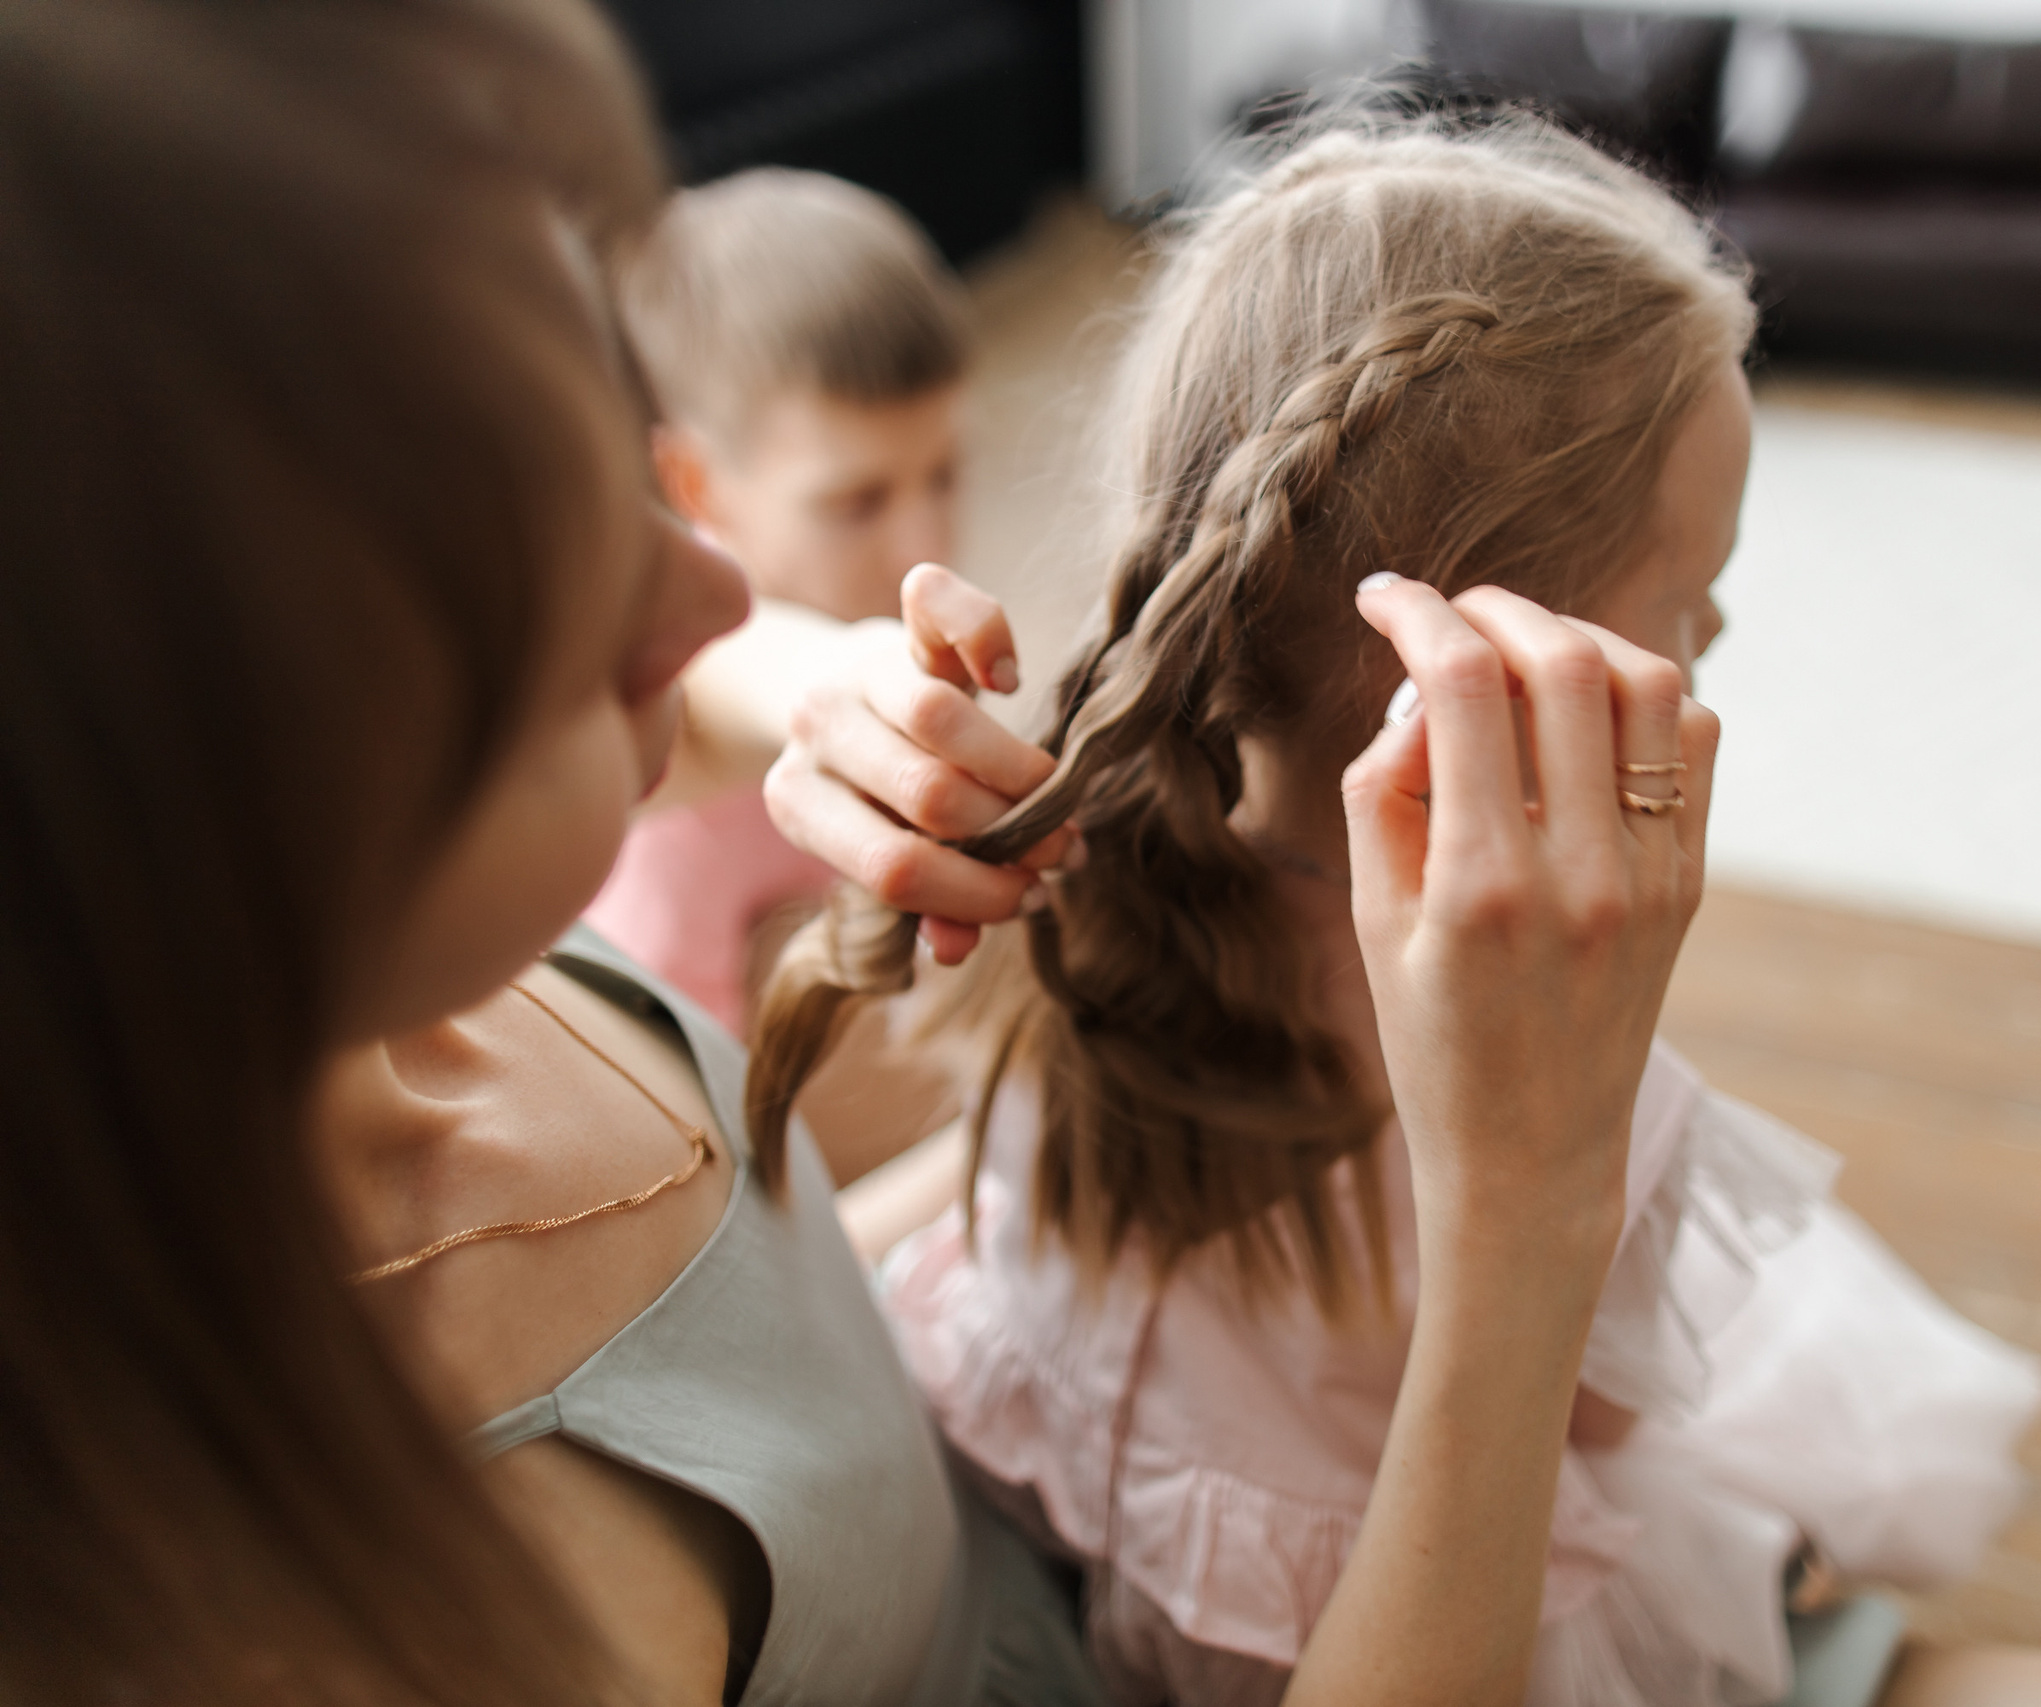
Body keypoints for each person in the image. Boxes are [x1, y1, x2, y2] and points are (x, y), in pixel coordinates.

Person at [0, 4, 1724, 1705]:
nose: (712, 586)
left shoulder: (390, 971)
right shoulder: (359, 1603)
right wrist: (1528, 1214)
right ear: (178, 746)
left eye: (610, 449)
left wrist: (817, 683)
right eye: (521, 548)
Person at [750, 119, 2041, 1707]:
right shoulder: (1564, 1092)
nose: (1715, 625)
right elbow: (1606, 1429)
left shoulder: (1070, 862)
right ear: (1485, 663)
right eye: (1687, 590)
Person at [586, 166, 976, 1038]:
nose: (924, 549)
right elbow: (705, 1144)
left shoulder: (896, 638)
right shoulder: (669, 838)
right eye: (857, 502)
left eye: (944, 475)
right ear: (695, 483)